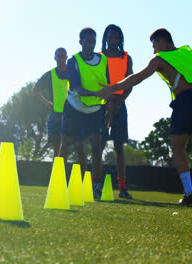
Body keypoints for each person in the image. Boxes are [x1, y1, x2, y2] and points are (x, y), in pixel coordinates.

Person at [97, 28, 192, 206]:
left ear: (162, 41)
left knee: (178, 148)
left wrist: (111, 88)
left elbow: (136, 78)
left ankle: (189, 192)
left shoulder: (159, 59)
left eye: (154, 45)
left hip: (185, 100)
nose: (154, 50)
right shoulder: (190, 54)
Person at [60, 27, 107, 199]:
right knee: (65, 145)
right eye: (87, 41)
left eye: (93, 42)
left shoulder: (103, 60)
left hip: (95, 109)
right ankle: (59, 183)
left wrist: (107, 104)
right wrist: (97, 94)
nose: (90, 45)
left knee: (96, 148)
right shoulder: (73, 61)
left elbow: (107, 84)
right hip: (74, 107)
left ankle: (96, 187)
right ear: (81, 42)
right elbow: (77, 88)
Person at [100, 24, 134, 199]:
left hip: (120, 103)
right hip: (101, 105)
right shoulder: (99, 57)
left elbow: (130, 82)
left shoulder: (126, 58)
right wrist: (105, 104)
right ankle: (95, 184)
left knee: (119, 146)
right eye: (110, 37)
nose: (113, 41)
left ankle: (122, 188)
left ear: (120, 39)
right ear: (106, 38)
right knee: (99, 144)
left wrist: (120, 100)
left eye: (116, 38)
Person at [32, 48, 69, 158]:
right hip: (56, 114)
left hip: (71, 115)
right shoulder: (50, 75)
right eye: (59, 56)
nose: (61, 58)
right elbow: (35, 90)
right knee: (56, 148)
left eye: (63, 56)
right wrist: (47, 102)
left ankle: (64, 172)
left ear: (67, 57)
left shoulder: (72, 73)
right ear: (55, 58)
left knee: (68, 146)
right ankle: (55, 173)